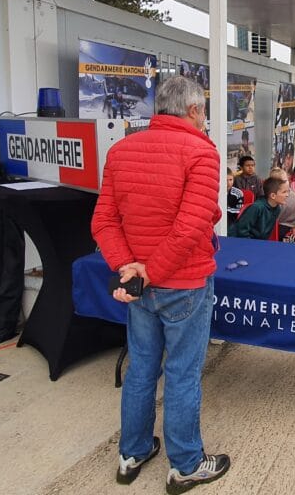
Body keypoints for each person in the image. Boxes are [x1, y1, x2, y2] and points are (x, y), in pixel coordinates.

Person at [91, 76, 230, 492]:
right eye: (203, 110)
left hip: (140, 286)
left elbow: (104, 221)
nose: (205, 118)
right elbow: (189, 229)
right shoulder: (201, 152)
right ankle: (186, 464)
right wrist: (149, 271)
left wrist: (129, 269)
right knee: (182, 374)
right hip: (182, 284)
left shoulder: (121, 150)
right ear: (193, 111)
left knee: (141, 370)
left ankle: (132, 453)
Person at [270, 168, 295, 241]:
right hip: (291, 225)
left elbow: (275, 217)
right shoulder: (293, 194)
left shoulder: (280, 196)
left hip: (281, 226)